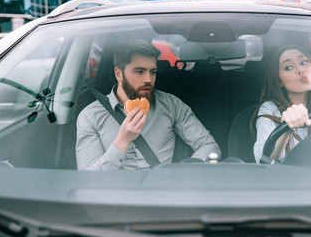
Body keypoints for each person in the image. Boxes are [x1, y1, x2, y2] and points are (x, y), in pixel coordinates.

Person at [76, 40, 221, 170]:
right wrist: (122, 141)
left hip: (161, 193)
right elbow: (87, 177)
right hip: (114, 195)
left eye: (153, 72)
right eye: (139, 71)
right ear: (119, 74)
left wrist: (187, 170)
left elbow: (209, 146)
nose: (148, 79)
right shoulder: (90, 116)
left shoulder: (171, 105)